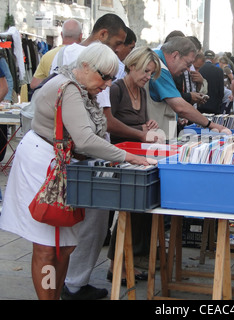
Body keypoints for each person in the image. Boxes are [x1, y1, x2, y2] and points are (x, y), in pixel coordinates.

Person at [0, 43, 155, 300]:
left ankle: (55, 295)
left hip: (58, 164)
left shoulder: (78, 85)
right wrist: (128, 156)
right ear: (85, 66)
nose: (107, 84)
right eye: (104, 77)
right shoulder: (69, 88)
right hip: (44, 165)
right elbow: (84, 139)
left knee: (65, 244)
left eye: (110, 78)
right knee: (49, 245)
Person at [106, 46, 162, 284]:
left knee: (140, 210)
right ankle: (115, 265)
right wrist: (140, 133)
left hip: (137, 158)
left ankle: (128, 260)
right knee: (126, 212)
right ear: (132, 65)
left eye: (151, 73)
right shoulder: (117, 89)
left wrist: (147, 126)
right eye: (146, 71)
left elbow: (141, 125)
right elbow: (109, 124)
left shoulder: (142, 91)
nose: (148, 77)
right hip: (118, 158)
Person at [146, 36, 229, 141]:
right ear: (175, 55)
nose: (188, 69)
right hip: (156, 138)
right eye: (188, 64)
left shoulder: (159, 61)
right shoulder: (159, 67)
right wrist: (211, 125)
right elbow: (180, 107)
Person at [30, 19, 83, 90]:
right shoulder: (85, 54)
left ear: (61, 35)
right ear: (81, 36)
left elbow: (34, 84)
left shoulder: (48, 55)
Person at [198, 50, 225, 114]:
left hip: (200, 104)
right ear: (213, 59)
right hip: (214, 105)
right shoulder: (219, 71)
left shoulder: (198, 68)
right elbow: (221, 91)